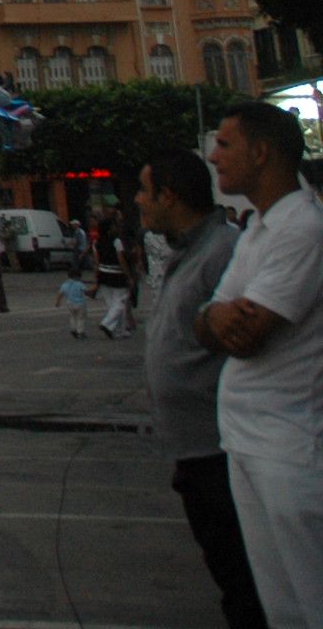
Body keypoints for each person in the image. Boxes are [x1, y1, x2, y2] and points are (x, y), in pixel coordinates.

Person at [196, 100, 323, 628]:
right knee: (282, 606)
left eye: (224, 144)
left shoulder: (303, 230)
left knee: (311, 599)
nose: (213, 156)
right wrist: (218, 318)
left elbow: (246, 335)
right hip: (248, 441)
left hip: (290, 447)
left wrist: (224, 320)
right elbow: (205, 320)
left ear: (263, 151)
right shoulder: (257, 230)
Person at [135, 149, 267, 628]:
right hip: (196, 450)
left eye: (144, 190)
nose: (137, 200)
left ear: (169, 195)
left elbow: (250, 337)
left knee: (246, 581)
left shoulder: (223, 251)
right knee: (230, 575)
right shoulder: (188, 251)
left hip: (223, 453)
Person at [94, 211, 133, 339]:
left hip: (103, 274)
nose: (116, 228)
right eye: (114, 226)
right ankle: (107, 324)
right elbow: (121, 259)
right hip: (117, 274)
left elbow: (96, 260)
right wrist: (128, 275)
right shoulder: (116, 241)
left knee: (111, 303)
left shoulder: (97, 242)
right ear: (110, 228)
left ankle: (119, 330)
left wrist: (97, 277)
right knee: (120, 301)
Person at [55, 273, 91, 337]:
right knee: (81, 318)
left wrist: (58, 302)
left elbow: (60, 294)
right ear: (77, 276)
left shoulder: (65, 284)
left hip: (70, 304)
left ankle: (73, 328)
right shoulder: (80, 284)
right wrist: (91, 294)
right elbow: (86, 292)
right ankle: (80, 332)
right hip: (80, 304)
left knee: (72, 316)